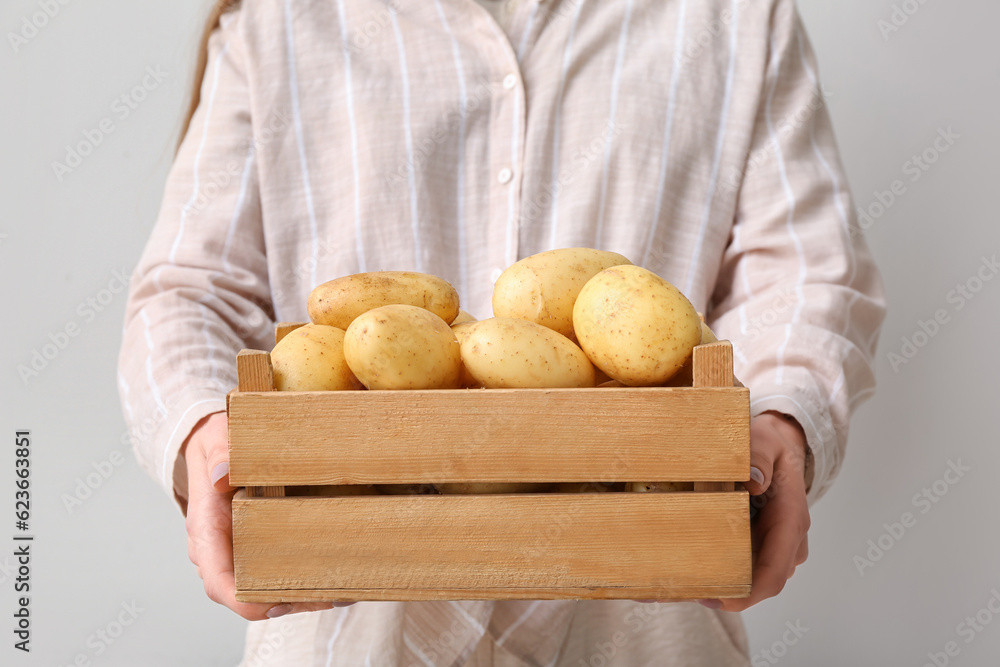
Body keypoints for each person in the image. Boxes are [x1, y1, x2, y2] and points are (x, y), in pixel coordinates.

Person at [117, 0, 886, 664]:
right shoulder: (279, 21)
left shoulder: (733, 17)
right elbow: (189, 290)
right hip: (346, 629)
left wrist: (784, 420)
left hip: (648, 619)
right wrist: (206, 439)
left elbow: (807, 274)